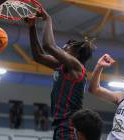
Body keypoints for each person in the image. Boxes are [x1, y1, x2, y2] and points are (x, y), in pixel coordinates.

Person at [25, 8, 94, 139]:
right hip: (62, 126)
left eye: (67, 47)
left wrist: (47, 19)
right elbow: (38, 56)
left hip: (69, 127)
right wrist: (32, 27)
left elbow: (48, 45)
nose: (62, 48)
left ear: (76, 54)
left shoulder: (77, 67)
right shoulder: (62, 66)